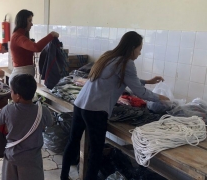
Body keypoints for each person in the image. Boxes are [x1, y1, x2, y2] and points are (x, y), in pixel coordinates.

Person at [60, 31, 170, 180]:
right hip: (95, 111)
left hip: (80, 104)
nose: (139, 53)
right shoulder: (126, 62)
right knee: (96, 152)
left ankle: (63, 177)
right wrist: (160, 98)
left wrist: (148, 82)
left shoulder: (109, 56)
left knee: (73, 141)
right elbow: (140, 92)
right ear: (132, 48)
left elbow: (128, 79)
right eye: (139, 49)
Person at [0, 74, 53, 180]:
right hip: (32, 159)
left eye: (11, 91)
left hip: (12, 157)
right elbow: (49, 123)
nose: (10, 94)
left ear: (18, 96)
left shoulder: (8, 110)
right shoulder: (42, 111)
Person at [9, 9, 59, 84]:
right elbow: (36, 47)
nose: (31, 24)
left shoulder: (19, 35)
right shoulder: (18, 37)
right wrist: (51, 35)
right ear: (23, 21)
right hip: (21, 79)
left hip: (23, 77)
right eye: (29, 21)